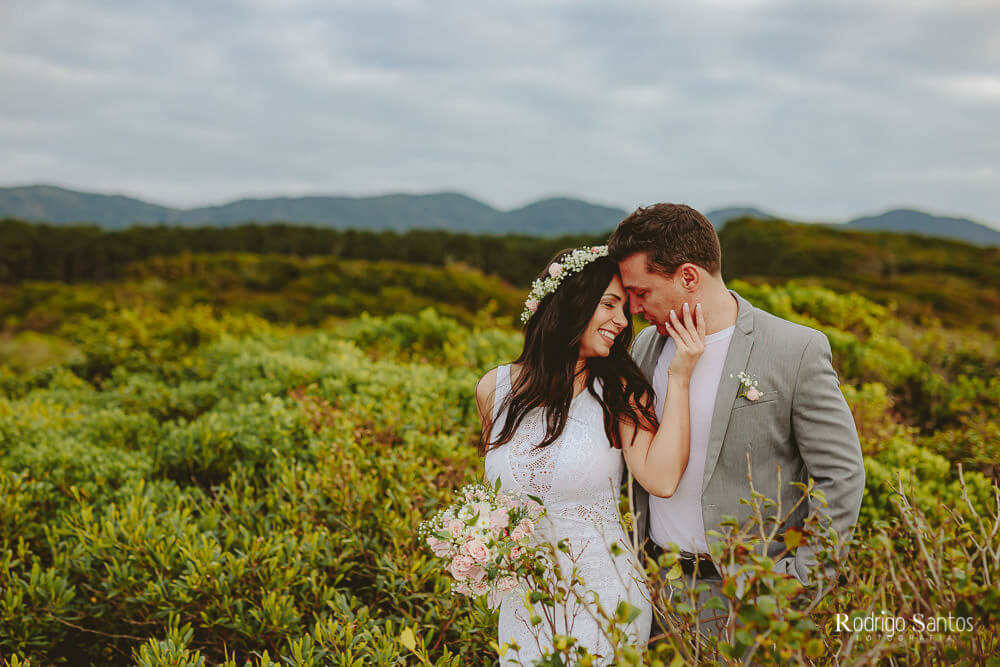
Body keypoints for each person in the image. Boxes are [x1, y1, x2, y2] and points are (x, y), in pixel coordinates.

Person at [607, 203, 865, 635]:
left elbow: (840, 475)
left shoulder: (795, 350)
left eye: (641, 292)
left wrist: (798, 584)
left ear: (688, 277)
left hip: (751, 600)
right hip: (654, 590)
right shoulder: (645, 347)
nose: (632, 308)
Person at [475, 245, 706, 664]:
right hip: (522, 598)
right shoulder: (494, 389)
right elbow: (498, 498)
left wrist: (680, 377)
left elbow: (661, 479)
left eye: (625, 308)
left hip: (603, 595)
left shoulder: (620, 392)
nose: (621, 321)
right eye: (609, 304)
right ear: (570, 303)